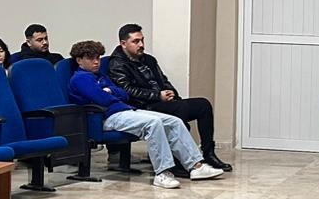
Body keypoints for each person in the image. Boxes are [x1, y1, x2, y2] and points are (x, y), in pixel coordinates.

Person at [67, 40, 224, 189]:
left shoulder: (99, 76)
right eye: (91, 58)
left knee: (173, 121)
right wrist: (110, 93)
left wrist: (110, 91)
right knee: (153, 123)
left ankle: (196, 166)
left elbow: (123, 94)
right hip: (105, 117)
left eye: (98, 58)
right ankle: (162, 173)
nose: (96, 62)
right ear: (79, 60)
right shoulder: (80, 79)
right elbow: (102, 99)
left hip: (124, 110)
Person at [107, 24, 232, 171]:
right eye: (136, 41)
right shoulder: (116, 64)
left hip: (161, 101)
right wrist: (157, 96)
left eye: (142, 40)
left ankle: (208, 153)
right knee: (180, 110)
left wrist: (172, 93)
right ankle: (178, 163)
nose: (141, 45)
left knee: (203, 104)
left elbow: (163, 80)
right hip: (142, 106)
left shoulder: (149, 59)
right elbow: (127, 91)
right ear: (123, 44)